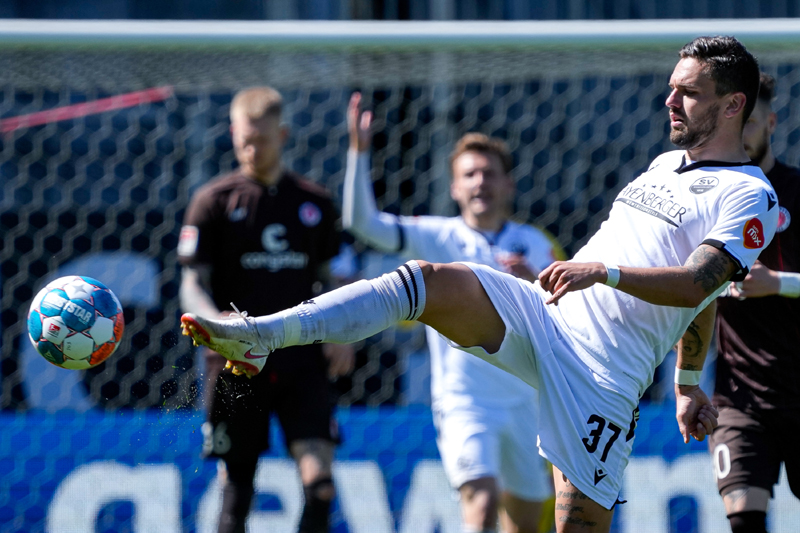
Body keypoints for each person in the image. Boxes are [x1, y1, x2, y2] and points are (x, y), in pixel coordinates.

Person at [181, 36, 778, 533]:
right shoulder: (666, 164)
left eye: (688, 91)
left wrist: (604, 273)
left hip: (602, 378)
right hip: (547, 315)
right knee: (426, 280)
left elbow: (699, 284)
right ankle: (264, 334)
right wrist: (689, 381)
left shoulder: (751, 196)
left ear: (733, 106)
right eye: (672, 86)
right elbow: (702, 293)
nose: (669, 99)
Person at [344, 94, 560, 533]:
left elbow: (567, 316)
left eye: (490, 173)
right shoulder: (437, 237)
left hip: (526, 401)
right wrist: (358, 153)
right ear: (454, 188)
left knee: (526, 522)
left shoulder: (537, 243)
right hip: (466, 401)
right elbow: (363, 224)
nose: (480, 182)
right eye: (469, 174)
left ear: (509, 184)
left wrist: (536, 281)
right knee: (480, 501)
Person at [177, 87, 353, 533]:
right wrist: (214, 321)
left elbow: (337, 279)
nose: (253, 150)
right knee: (237, 493)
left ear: (284, 135)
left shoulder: (315, 202)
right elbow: (191, 282)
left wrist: (343, 332)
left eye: (262, 140)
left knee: (321, 487)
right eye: (245, 142)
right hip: (236, 360)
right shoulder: (213, 201)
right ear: (232, 135)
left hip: (302, 358)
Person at [708, 72, 800, 533]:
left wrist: (777, 283)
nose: (740, 134)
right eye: (732, 123)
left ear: (772, 123)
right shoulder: (710, 198)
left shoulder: (797, 191)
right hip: (739, 396)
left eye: (751, 123)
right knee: (744, 519)